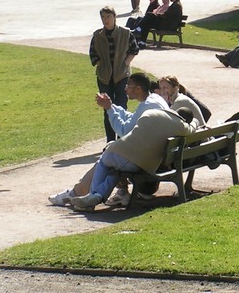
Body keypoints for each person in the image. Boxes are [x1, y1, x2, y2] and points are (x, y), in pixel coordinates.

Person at [48, 73, 168, 208]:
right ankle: (96, 194)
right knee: (112, 160)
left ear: (138, 89)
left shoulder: (147, 106)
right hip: (157, 155)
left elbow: (123, 130)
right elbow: (132, 118)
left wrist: (109, 109)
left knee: (107, 156)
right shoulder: (154, 100)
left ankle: (84, 193)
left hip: (145, 160)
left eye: (128, 85)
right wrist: (113, 107)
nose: (125, 89)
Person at [69, 107, 201, 212]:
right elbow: (192, 129)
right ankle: (96, 196)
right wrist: (195, 121)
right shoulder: (180, 125)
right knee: (118, 169)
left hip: (116, 152)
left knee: (107, 165)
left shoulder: (151, 112)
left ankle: (95, 195)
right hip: (139, 163)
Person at [89, 6, 140, 142]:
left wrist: (125, 63)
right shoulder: (97, 35)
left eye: (108, 17)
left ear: (114, 17)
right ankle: (110, 141)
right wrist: (101, 64)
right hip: (105, 78)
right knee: (107, 109)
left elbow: (134, 49)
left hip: (122, 76)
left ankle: (122, 140)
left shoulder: (125, 33)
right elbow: (93, 54)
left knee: (121, 107)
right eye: (103, 17)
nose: (105, 20)